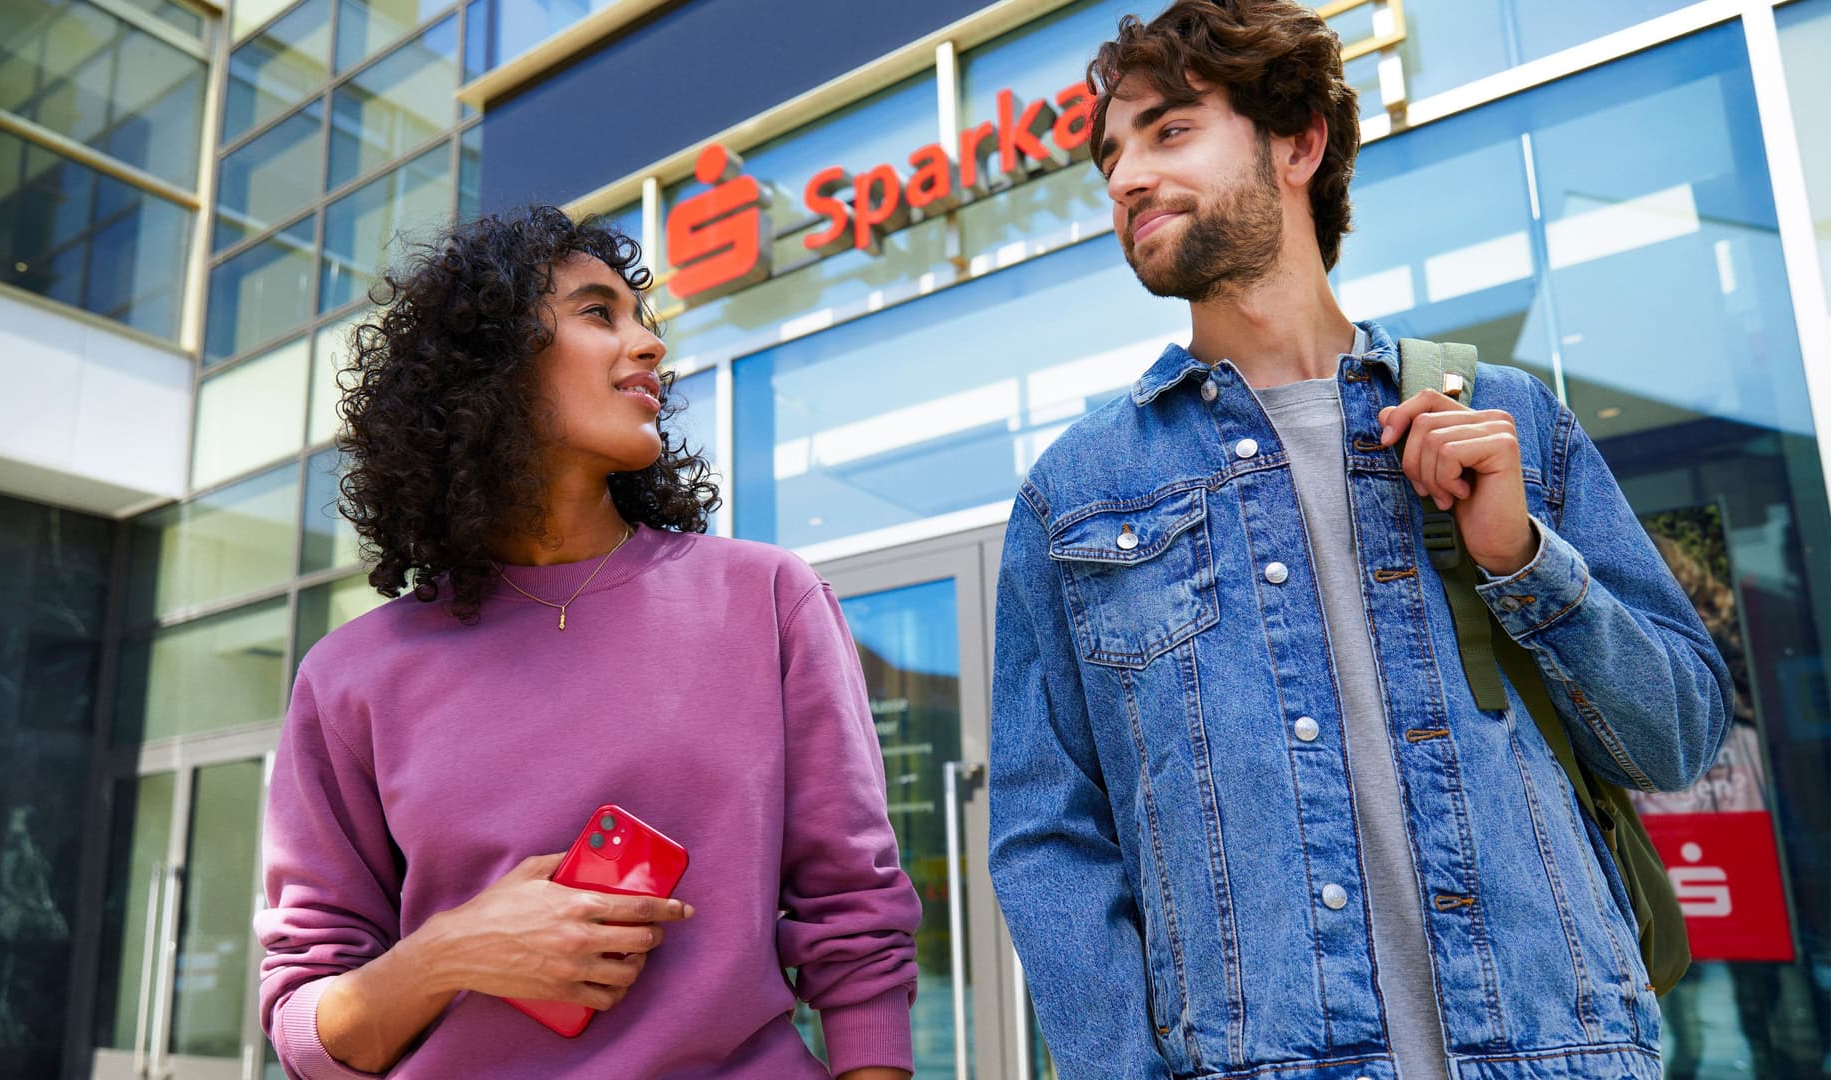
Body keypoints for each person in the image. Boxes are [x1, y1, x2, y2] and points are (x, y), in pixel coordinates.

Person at [986, 3, 1733, 1078]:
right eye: (1111, 154)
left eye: (1170, 131)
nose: (1125, 179)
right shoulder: (1076, 498)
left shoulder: (1504, 417)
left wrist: (1523, 559)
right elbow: (1047, 837)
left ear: (1298, 142)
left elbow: (1677, 740)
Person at [255, 206, 921, 1079]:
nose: (648, 346)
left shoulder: (763, 598)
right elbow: (307, 1024)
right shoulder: (352, 677)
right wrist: (449, 950)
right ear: (486, 363)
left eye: (644, 321)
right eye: (597, 313)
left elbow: (855, 915)